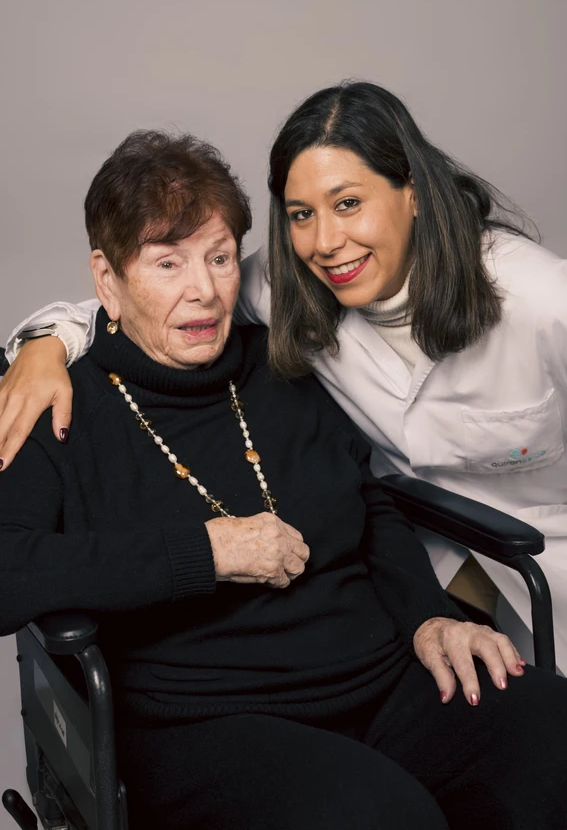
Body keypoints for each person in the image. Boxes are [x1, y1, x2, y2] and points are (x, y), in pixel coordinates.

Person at [1, 130, 567, 830]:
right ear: (107, 280)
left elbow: (369, 503)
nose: (202, 290)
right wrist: (203, 553)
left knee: (549, 731)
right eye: (167, 264)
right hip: (209, 721)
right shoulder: (58, 409)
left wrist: (428, 614)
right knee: (379, 816)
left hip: (383, 681)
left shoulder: (282, 369)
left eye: (217, 258)